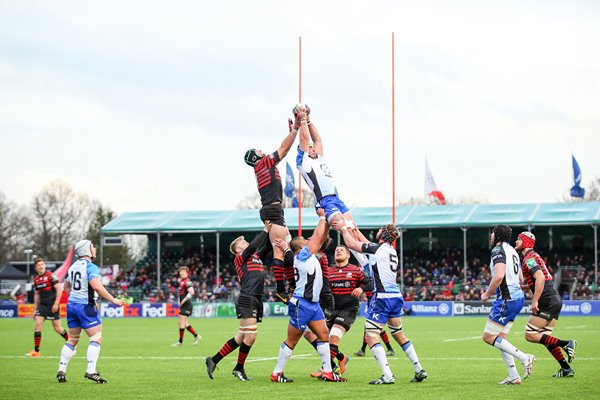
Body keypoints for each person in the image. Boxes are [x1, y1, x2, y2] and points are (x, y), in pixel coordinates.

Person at [336, 221, 427, 384]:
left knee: (371, 337)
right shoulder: (390, 250)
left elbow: (351, 244)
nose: (377, 231)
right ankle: (419, 369)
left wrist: (344, 229)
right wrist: (356, 231)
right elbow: (365, 244)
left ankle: (387, 375)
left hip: (382, 298)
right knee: (399, 334)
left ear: (383, 234)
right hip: (395, 297)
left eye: (380, 230)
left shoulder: (377, 249)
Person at [270, 218, 346, 382]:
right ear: (302, 247)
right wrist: (322, 218)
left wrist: (326, 223)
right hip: (302, 304)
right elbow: (318, 237)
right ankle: (277, 373)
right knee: (292, 339)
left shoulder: (304, 255)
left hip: (313, 304)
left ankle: (327, 371)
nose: (309, 240)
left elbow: (321, 238)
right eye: (306, 240)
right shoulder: (303, 255)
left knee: (323, 334)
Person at [206, 221, 272, 381]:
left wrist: (275, 229)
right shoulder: (240, 257)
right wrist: (264, 230)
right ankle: (239, 368)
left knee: (241, 337)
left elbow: (268, 246)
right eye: (243, 242)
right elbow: (253, 247)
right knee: (251, 336)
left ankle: (213, 360)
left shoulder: (255, 256)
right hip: (247, 297)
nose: (247, 243)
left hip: (256, 298)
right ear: (238, 249)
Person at [244, 118, 298, 304]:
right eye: (258, 151)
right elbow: (283, 149)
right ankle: (282, 290)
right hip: (273, 210)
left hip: (274, 210)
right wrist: (295, 130)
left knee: (286, 248)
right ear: (255, 157)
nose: (262, 150)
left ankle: (291, 285)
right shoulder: (263, 164)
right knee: (280, 250)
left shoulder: (263, 166)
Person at [56, 240, 124, 384]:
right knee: (96, 338)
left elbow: (66, 286)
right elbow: (97, 286)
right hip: (86, 307)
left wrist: (75, 297)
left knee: (72, 339)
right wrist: (114, 300)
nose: (94, 249)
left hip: (72, 305)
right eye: (92, 247)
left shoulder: (72, 267)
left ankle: (61, 371)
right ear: (86, 250)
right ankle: (91, 371)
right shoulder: (90, 267)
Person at [515, 231, 577, 378]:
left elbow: (540, 277)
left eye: (518, 239)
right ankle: (566, 368)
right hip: (554, 298)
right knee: (545, 337)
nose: (516, 241)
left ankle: (566, 343)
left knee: (530, 335)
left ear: (525, 242)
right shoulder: (532, 257)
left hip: (547, 300)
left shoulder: (529, 258)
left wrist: (535, 300)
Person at [480, 225, 535, 385]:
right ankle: (513, 375)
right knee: (501, 338)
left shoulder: (498, 251)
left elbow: (498, 277)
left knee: (488, 337)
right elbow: (520, 279)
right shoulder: (512, 251)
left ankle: (525, 358)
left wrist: (486, 293)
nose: (490, 236)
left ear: (496, 235)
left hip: (507, 298)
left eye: (492, 233)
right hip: (517, 298)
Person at [310, 244, 372, 377]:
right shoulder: (328, 271)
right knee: (317, 337)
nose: (338, 251)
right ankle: (342, 358)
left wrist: (361, 289)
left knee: (333, 338)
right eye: (336, 250)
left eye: (341, 250)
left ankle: (325, 369)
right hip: (330, 310)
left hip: (348, 310)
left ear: (348, 255)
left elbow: (370, 283)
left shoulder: (356, 270)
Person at [294, 104, 354, 231]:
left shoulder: (318, 158)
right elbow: (305, 138)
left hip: (336, 199)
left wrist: (309, 120)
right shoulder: (304, 162)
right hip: (325, 201)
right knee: (343, 227)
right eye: (310, 148)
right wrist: (303, 119)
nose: (313, 149)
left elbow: (318, 141)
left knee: (353, 227)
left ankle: (363, 251)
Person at [348, 248, 395, 357]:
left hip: (375, 299)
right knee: (371, 326)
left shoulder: (369, 268)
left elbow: (359, 254)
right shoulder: (369, 268)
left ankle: (386, 349)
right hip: (372, 300)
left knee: (372, 326)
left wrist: (351, 244)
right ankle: (364, 350)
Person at [25, 258, 69, 357]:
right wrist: (35, 309)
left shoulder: (51, 275)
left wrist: (56, 304)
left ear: (44, 265)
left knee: (57, 328)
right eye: (38, 265)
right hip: (42, 306)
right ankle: (36, 351)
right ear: (36, 268)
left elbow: (59, 289)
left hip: (52, 305)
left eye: (42, 264)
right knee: (37, 325)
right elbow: (36, 294)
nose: (40, 266)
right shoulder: (36, 279)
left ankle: (71, 343)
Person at [172, 266, 200, 347]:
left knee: (181, 323)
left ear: (187, 273)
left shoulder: (187, 281)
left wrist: (183, 301)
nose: (181, 273)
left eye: (183, 272)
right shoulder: (182, 281)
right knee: (184, 323)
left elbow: (192, 292)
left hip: (186, 305)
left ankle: (180, 342)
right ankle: (196, 336)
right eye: (180, 272)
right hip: (184, 305)